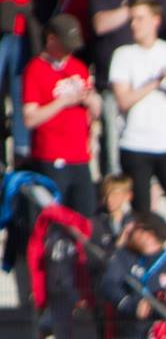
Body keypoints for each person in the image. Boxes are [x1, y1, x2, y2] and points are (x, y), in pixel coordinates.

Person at [106, 0, 166, 253]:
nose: (134, 24)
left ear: (156, 20)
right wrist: (156, 82)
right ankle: (142, 264)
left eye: (140, 18)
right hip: (136, 143)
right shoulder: (123, 54)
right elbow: (123, 100)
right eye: (132, 19)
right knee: (142, 214)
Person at [21, 15, 99, 218]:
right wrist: (62, 102)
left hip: (80, 157)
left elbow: (96, 111)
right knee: (54, 219)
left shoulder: (78, 67)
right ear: (51, 39)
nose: (69, 51)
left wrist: (90, 100)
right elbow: (30, 118)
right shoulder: (35, 69)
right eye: (65, 45)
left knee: (84, 218)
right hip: (52, 156)